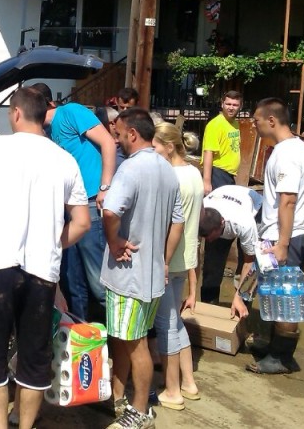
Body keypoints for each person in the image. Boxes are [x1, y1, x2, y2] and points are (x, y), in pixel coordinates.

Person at [0, 87, 91, 429]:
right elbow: (82, 222)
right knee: (34, 357)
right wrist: (52, 242)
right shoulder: (64, 158)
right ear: (41, 113)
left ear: (16, 113)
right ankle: (26, 425)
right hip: (41, 271)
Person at [101, 107, 183, 429]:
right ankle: (117, 396)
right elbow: (177, 221)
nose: (117, 140)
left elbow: (110, 211)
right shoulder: (166, 168)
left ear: (133, 134)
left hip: (128, 274)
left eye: (119, 134)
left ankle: (139, 410)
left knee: (135, 344)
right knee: (125, 337)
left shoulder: (131, 168)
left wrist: (113, 241)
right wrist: (163, 259)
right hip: (150, 275)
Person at [30, 83, 116, 322]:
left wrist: (105, 187)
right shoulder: (43, 134)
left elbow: (108, 142)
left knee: (98, 283)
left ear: (48, 104)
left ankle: (119, 340)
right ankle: (81, 338)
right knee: (71, 281)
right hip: (65, 209)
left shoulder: (72, 112)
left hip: (89, 202)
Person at [247, 97, 304, 375]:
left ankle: (282, 357)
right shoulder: (292, 148)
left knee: (286, 294)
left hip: (287, 234)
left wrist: (282, 243)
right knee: (276, 292)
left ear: (271, 120)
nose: (254, 124)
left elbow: (288, 200)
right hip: (282, 233)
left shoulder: (287, 153)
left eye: (256, 120)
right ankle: (275, 347)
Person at [150, 123, 202, 411]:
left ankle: (172, 390)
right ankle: (189, 383)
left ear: (169, 147)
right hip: (186, 259)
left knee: (166, 324)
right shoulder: (193, 172)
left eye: (156, 145)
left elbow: (173, 224)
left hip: (169, 260)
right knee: (174, 321)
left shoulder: (170, 177)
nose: (153, 151)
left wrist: (163, 261)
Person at [199, 90, 243, 304]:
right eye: (228, 104)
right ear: (222, 103)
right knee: (216, 231)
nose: (231, 107)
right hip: (217, 175)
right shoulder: (215, 124)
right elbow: (208, 152)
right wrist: (207, 181)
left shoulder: (235, 124)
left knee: (225, 230)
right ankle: (209, 295)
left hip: (229, 177)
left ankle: (216, 291)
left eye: (235, 104)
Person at [197, 184, 264, 320]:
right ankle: (209, 309)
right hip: (222, 194)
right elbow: (193, 257)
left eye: (212, 237)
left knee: (245, 271)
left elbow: (249, 262)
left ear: (222, 224)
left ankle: (242, 311)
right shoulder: (198, 214)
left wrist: (239, 295)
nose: (208, 241)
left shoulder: (244, 223)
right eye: (206, 238)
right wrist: (192, 293)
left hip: (254, 208)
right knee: (212, 265)